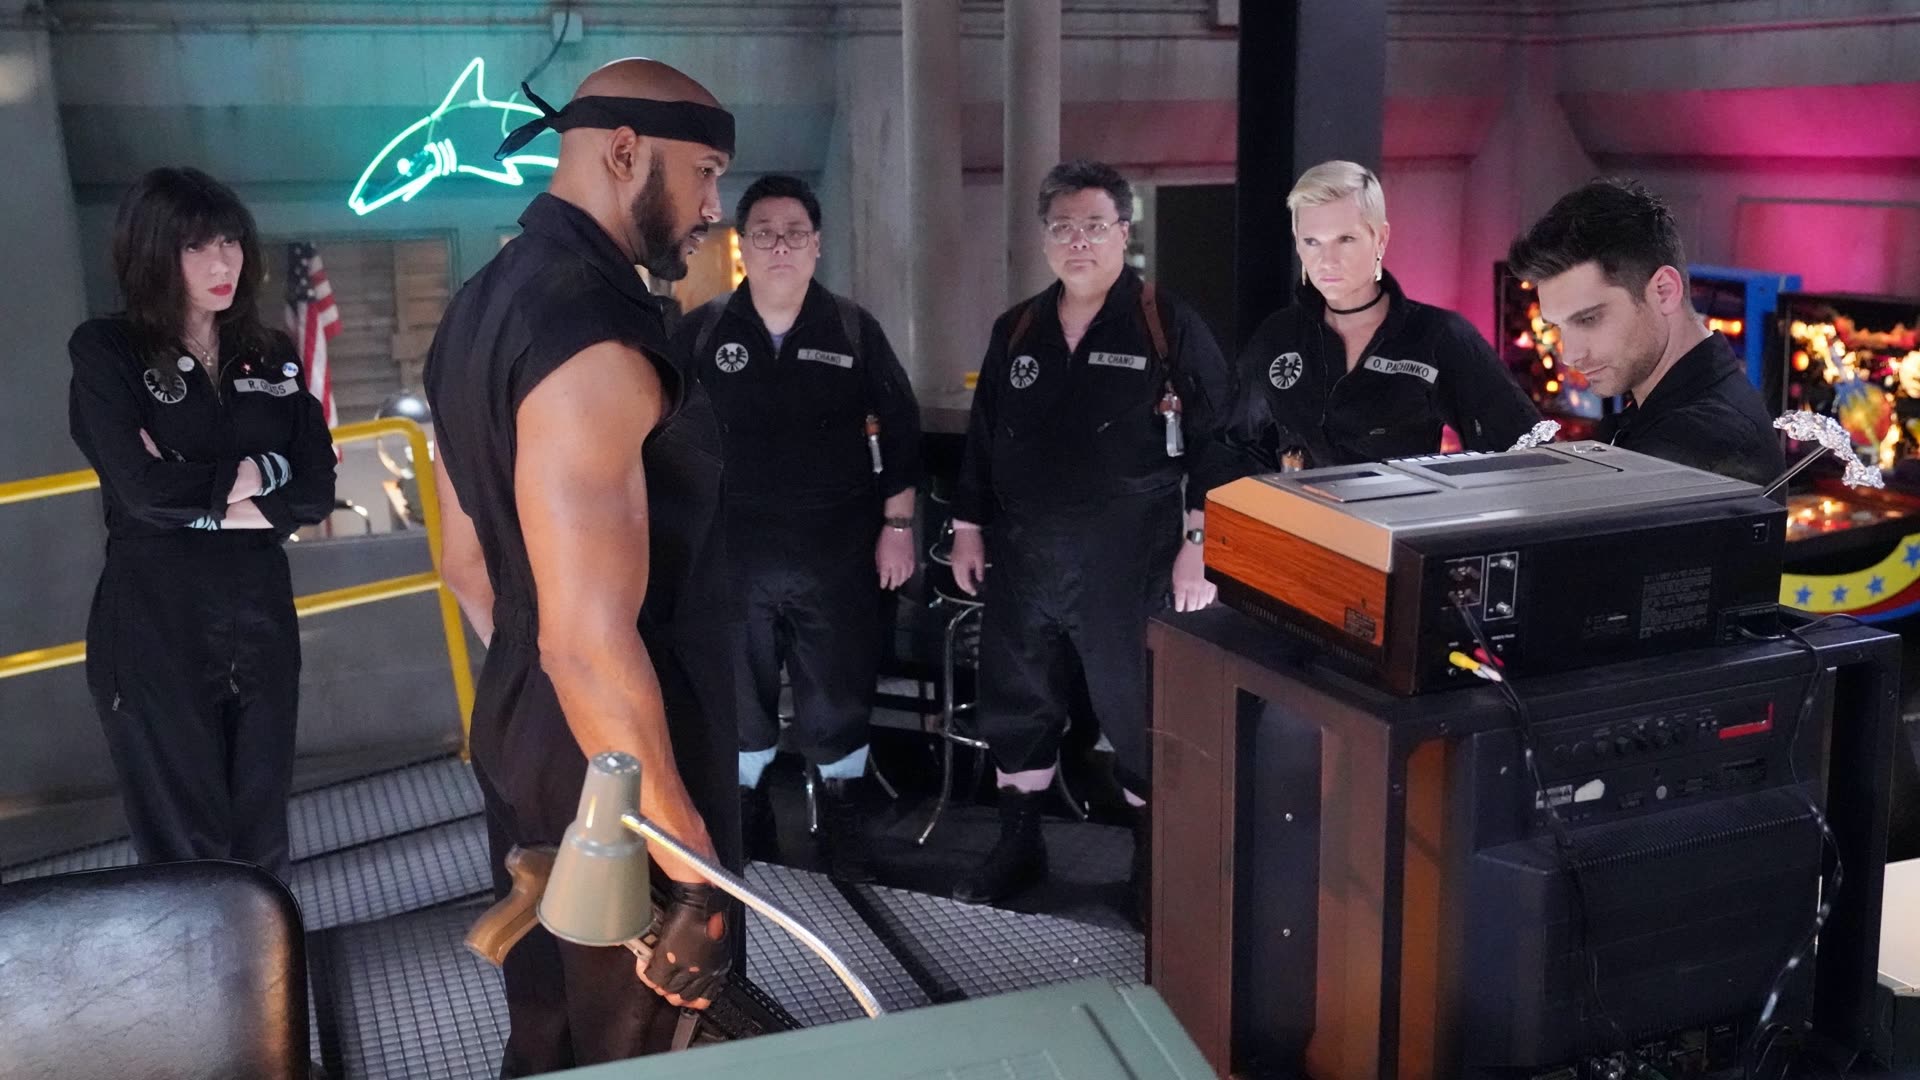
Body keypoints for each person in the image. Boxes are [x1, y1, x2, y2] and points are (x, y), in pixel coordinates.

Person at [423, 59, 741, 1074]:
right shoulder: (593, 337)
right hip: (625, 761)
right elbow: (591, 642)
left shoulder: (478, 307)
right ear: (625, 152)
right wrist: (690, 867)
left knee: (550, 1027)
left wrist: (541, 698)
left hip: (529, 719)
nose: (714, 208)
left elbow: (464, 561)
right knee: (644, 1044)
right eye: (706, 173)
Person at [947, 160, 1229, 911]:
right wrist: (969, 528)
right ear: (1044, 238)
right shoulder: (1019, 329)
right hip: (1024, 555)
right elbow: (983, 438)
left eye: (1094, 226)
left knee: (1136, 708)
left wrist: (1200, 542)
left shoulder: (1167, 323)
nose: (1078, 241)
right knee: (1018, 699)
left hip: (1131, 554)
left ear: (1123, 233)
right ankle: (1018, 843)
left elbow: (1218, 440)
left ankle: (1150, 864)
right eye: (1063, 227)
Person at [67, 167, 337, 882]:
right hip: (156, 618)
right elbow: (144, 491)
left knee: (263, 839)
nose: (223, 264)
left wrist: (214, 493)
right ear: (153, 251)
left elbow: (316, 489)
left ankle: (269, 960)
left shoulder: (271, 352)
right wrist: (265, 474)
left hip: (259, 612)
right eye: (196, 247)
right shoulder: (108, 351)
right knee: (187, 851)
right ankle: (202, 963)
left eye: (230, 242)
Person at [672, 175, 922, 883]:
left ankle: (840, 812)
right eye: (764, 233)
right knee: (736, 690)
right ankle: (744, 810)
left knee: (837, 687)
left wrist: (898, 525)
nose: (779, 246)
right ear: (742, 245)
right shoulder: (702, 332)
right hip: (730, 558)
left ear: (817, 246)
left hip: (836, 554)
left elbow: (900, 433)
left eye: (794, 234)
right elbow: (659, 438)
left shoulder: (852, 329)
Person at [1216, 160, 1538, 474]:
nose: (1327, 260)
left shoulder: (1437, 336)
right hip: (1296, 511)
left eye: (1346, 239)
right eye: (1312, 241)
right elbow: (1231, 444)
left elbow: (1523, 448)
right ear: (1297, 242)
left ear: (1380, 238)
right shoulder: (1278, 336)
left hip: (1402, 510)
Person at [1507, 178, 1785, 486]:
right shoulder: (1663, 411)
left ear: (1664, 292)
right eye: (1558, 326)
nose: (1570, 355)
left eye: (1588, 319)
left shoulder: (1692, 443)